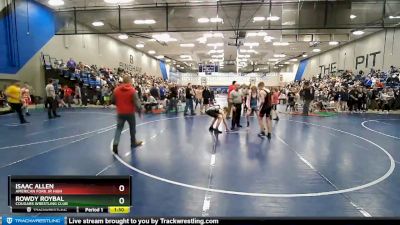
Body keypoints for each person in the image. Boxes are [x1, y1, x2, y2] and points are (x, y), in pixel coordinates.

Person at [111, 75, 143, 154]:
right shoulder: (132, 91)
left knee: (119, 129)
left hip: (120, 112)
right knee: (132, 128)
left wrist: (119, 104)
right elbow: (137, 103)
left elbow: (112, 100)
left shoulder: (116, 90)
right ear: (130, 82)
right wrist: (139, 111)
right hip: (130, 113)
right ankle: (133, 142)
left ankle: (115, 143)